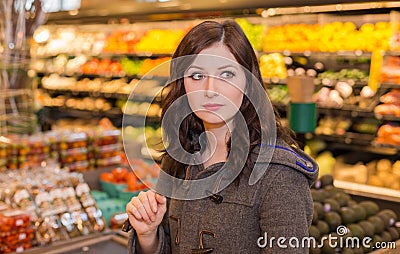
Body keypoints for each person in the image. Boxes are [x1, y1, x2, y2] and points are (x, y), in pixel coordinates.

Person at [126, 20, 319, 254]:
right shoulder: (180, 157)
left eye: (226, 74)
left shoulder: (278, 174)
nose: (210, 89)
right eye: (197, 75)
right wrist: (148, 236)